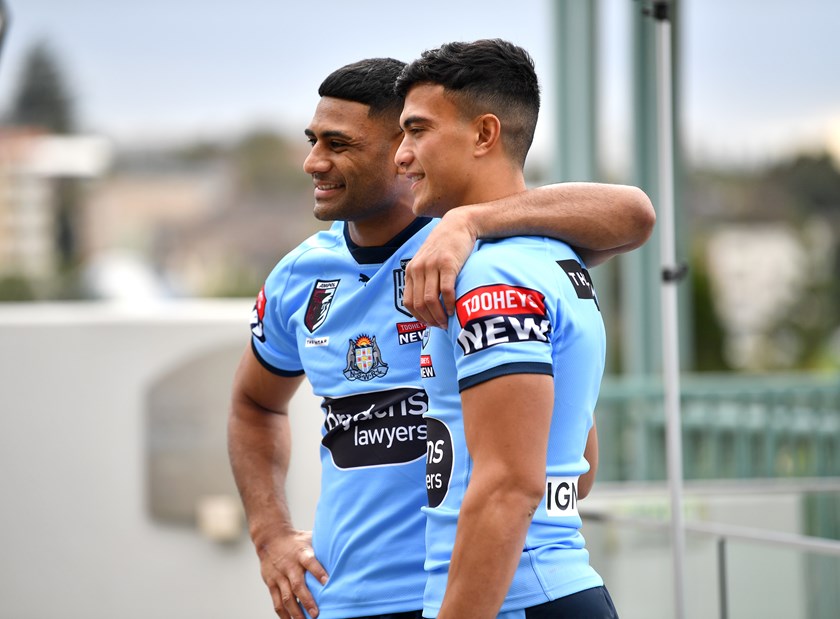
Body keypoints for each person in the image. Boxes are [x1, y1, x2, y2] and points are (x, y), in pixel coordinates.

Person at [228, 56, 652, 619]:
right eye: (313, 141)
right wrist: (271, 535)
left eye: (339, 143)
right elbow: (253, 404)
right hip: (344, 596)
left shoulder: (484, 249)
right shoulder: (298, 275)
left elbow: (633, 214)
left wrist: (468, 222)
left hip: (478, 589)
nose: (313, 162)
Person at [394, 39, 624, 618]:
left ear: (483, 134)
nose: (401, 155)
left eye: (417, 131)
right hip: (551, 587)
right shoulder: (552, 255)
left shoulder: (492, 274)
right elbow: (579, 466)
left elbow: (507, 487)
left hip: (516, 599)